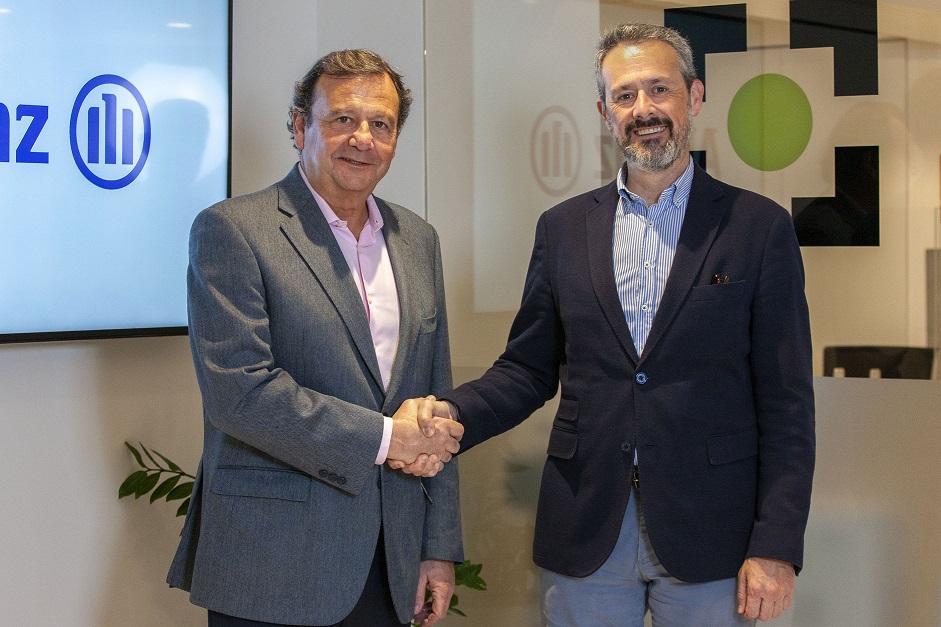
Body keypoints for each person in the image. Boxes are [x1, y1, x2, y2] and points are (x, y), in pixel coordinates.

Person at [401, 23, 815, 625]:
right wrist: (450, 413)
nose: (643, 109)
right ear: (604, 112)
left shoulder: (758, 227)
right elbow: (527, 369)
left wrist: (776, 543)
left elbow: (787, 402)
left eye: (659, 89)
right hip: (587, 524)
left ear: (695, 96)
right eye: (624, 95)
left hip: (712, 532)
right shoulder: (563, 229)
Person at [167, 49, 464, 627]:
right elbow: (240, 394)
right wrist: (387, 439)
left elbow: (435, 395)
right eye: (343, 119)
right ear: (301, 125)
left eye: (381, 124)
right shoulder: (233, 230)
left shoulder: (417, 239)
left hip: (392, 558)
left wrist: (437, 544)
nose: (362, 139)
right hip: (273, 563)